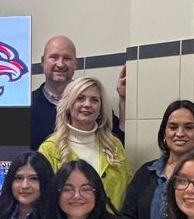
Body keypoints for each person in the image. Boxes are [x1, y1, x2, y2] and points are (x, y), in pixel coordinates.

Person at [38, 76, 132, 209]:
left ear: (101, 108)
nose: (87, 104)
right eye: (80, 98)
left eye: (94, 100)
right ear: (68, 106)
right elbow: (43, 200)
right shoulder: (50, 149)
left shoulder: (114, 146)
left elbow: (128, 191)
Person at [30, 35, 124, 150]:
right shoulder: (25, 105)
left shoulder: (92, 106)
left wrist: (123, 100)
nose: (60, 64)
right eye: (54, 57)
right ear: (43, 62)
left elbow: (118, 144)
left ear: (75, 64)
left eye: (67, 58)